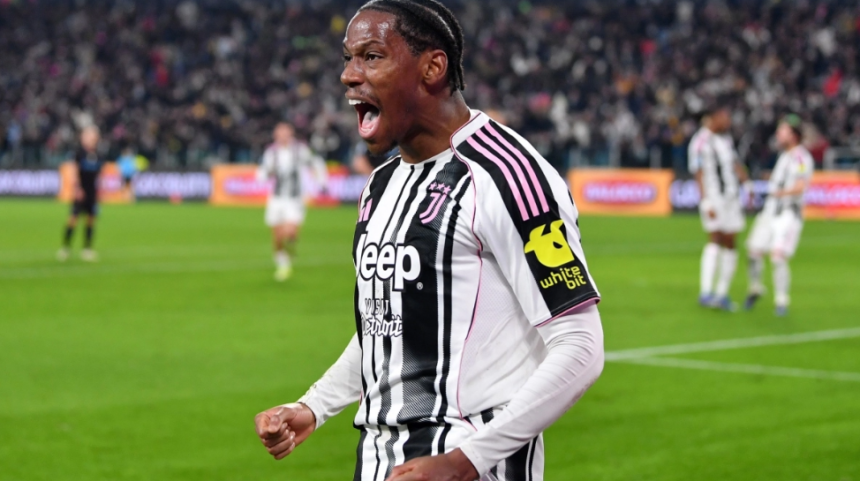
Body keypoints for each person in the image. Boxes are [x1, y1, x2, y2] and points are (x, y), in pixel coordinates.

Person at [253, 2, 605, 480]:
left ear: (432, 68)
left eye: (371, 57)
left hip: (472, 461)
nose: (349, 75)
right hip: (380, 460)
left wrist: (465, 462)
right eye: (348, 58)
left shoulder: (507, 175)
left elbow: (580, 345)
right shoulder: (381, 185)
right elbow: (387, 327)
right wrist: (314, 406)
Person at [744, 114, 814, 316]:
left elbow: (800, 187)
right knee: (753, 251)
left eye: (782, 131)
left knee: (777, 256)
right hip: (770, 212)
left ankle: (781, 300)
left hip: (787, 214)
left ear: (793, 135)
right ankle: (755, 287)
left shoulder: (801, 158)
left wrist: (778, 192)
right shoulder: (784, 156)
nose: (777, 135)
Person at [688, 105, 748, 311]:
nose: (727, 121)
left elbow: (735, 164)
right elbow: (698, 172)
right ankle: (706, 292)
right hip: (714, 197)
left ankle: (722, 293)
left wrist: (747, 184)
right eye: (724, 117)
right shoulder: (700, 141)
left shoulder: (726, 140)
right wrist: (705, 201)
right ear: (713, 118)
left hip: (731, 197)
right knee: (715, 237)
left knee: (731, 241)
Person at [257, 122, 329, 281]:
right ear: (276, 135)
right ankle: (283, 264)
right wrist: (267, 173)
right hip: (276, 199)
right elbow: (262, 173)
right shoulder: (271, 153)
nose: (282, 136)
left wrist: (322, 182)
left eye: (285, 133)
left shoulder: (300, 150)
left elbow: (316, 163)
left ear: (291, 134)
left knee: (290, 232)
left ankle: (288, 255)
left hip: (295, 199)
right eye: (279, 133)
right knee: (277, 237)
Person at [57, 126, 104, 262]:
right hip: (81, 190)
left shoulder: (98, 154)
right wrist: (77, 188)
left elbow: (99, 174)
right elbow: (74, 172)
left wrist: (98, 190)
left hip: (92, 191)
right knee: (73, 218)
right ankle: (65, 248)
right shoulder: (79, 153)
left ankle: (87, 249)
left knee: (90, 219)